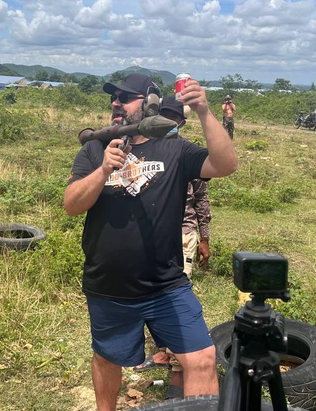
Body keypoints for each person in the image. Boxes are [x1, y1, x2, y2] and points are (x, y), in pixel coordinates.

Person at [64, 73, 238, 411]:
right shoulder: (95, 148)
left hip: (166, 285)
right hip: (108, 283)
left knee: (202, 359)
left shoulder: (174, 148)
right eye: (113, 97)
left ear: (149, 103)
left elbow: (225, 164)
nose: (116, 102)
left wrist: (204, 111)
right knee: (106, 358)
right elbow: (72, 205)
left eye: (125, 97)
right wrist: (102, 171)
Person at [133, 95, 213, 400]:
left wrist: (204, 236)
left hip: (182, 234)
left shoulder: (188, 152)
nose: (168, 122)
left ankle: (180, 369)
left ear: (181, 122)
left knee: (175, 298)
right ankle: (164, 353)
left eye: (173, 118)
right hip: (150, 235)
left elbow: (202, 198)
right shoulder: (143, 148)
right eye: (162, 116)